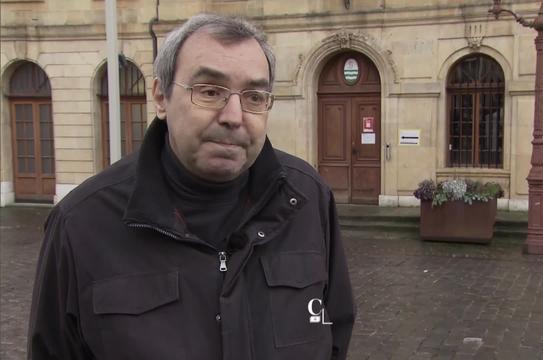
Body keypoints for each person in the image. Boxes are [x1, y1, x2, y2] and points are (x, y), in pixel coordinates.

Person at [28, 13, 355, 360]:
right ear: (160, 97)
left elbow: (335, 329)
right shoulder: (81, 224)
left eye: (255, 96)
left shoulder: (308, 198)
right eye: (211, 91)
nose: (234, 115)